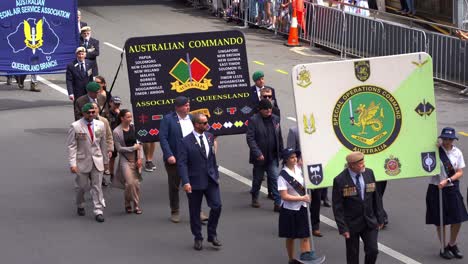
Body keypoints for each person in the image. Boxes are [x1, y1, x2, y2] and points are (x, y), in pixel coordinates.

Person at [178, 113, 222, 251]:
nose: (206, 125)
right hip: (194, 182)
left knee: (217, 206)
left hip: (210, 180)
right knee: (195, 211)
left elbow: (212, 158)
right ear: (196, 124)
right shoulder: (185, 142)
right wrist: (185, 182)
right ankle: (198, 237)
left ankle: (212, 234)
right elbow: (182, 164)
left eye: (207, 122)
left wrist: (216, 174)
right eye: (204, 123)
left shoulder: (209, 137)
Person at [332, 151, 385, 264]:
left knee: (373, 251)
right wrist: (343, 228)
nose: (363, 165)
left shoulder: (369, 173)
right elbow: (337, 207)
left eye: (363, 162)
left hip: (369, 221)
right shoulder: (340, 180)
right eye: (360, 163)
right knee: (353, 255)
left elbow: (376, 198)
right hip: (352, 224)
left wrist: (380, 218)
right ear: (351, 165)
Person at [426, 127, 468, 259]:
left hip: (451, 187)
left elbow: (460, 171)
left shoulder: (457, 152)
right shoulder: (434, 151)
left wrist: (448, 180)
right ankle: (443, 247)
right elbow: (426, 166)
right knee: (441, 220)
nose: (447, 141)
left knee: (458, 218)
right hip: (436, 188)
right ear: (441, 138)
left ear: (454, 139)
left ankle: (452, 244)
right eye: (445, 138)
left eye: (450, 139)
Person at [278, 148, 325, 264]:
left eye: (295, 157)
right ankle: (291, 259)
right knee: (291, 236)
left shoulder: (299, 169)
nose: (295, 159)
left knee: (305, 235)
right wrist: (301, 198)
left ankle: (307, 258)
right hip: (289, 210)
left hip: (302, 208)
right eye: (292, 157)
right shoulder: (282, 176)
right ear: (286, 160)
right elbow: (284, 196)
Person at [66, 103, 108, 223]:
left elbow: (102, 144)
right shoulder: (75, 126)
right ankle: (80, 204)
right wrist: (72, 163)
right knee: (81, 187)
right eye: (88, 112)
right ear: (83, 113)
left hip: (97, 160)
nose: (91, 114)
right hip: (82, 161)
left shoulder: (100, 125)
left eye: (92, 112)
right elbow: (72, 146)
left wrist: (105, 161)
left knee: (97, 187)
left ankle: (98, 210)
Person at [159, 96, 194, 223]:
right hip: (175, 158)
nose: (188, 107)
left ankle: (196, 210)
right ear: (178, 107)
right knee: (174, 185)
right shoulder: (168, 120)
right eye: (185, 105)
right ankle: (175, 210)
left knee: (194, 184)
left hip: (191, 158)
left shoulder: (192, 118)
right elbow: (163, 138)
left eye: (188, 105)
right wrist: (169, 155)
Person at [286, 125, 324, 237]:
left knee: (317, 198)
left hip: (316, 170)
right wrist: (295, 163)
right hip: (300, 171)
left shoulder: (318, 129)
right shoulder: (294, 130)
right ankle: (298, 223)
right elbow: (290, 151)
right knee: (300, 198)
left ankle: (315, 226)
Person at [246, 99, 283, 211]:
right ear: (260, 110)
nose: (268, 110)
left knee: (275, 179)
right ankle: (254, 196)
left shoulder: (275, 119)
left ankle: (278, 203)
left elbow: (279, 136)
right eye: (266, 109)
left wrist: (281, 152)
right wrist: (257, 153)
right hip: (260, 158)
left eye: (270, 108)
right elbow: (250, 138)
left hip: (272, 156)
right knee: (257, 180)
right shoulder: (253, 120)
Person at [112, 109, 144, 214]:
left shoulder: (135, 127)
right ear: (122, 118)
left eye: (131, 117)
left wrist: (140, 158)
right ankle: (127, 203)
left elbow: (140, 145)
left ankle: (136, 205)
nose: (130, 119)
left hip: (136, 158)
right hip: (125, 159)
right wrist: (132, 148)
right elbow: (119, 148)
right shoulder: (116, 131)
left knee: (136, 184)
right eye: (128, 117)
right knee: (129, 183)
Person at [91, 103, 114, 187]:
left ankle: (99, 179)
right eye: (91, 108)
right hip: (89, 149)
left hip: (101, 148)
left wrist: (110, 148)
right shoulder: (83, 122)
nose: (93, 110)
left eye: (95, 108)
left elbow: (109, 135)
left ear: (98, 109)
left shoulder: (103, 121)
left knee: (101, 166)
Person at [104, 96, 122, 182]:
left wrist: (120, 115)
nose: (117, 106)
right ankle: (111, 174)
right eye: (115, 104)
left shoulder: (121, 113)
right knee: (112, 157)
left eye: (118, 104)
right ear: (110, 103)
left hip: (120, 138)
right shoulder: (105, 114)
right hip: (110, 138)